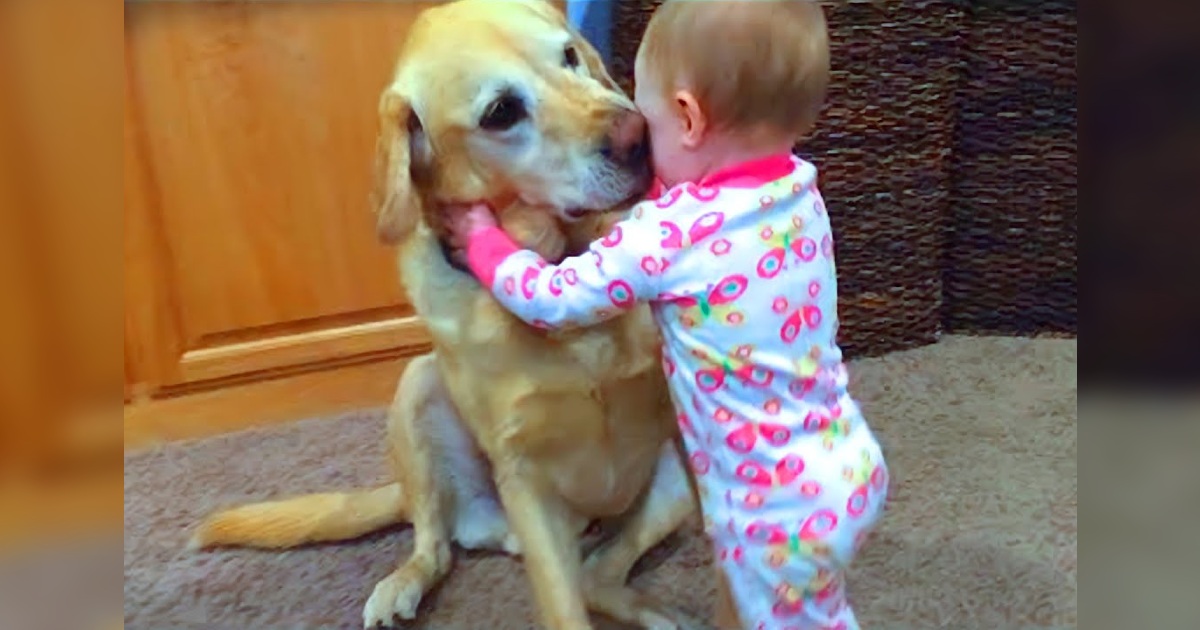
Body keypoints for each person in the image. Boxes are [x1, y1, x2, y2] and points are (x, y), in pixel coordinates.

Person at [446, 2, 888, 628]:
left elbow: (554, 300)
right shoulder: (796, 189)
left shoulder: (664, 238)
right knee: (815, 605)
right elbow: (707, 211)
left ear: (686, 118)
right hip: (844, 459)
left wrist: (485, 242)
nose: (634, 142)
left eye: (642, 118)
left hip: (773, 511)